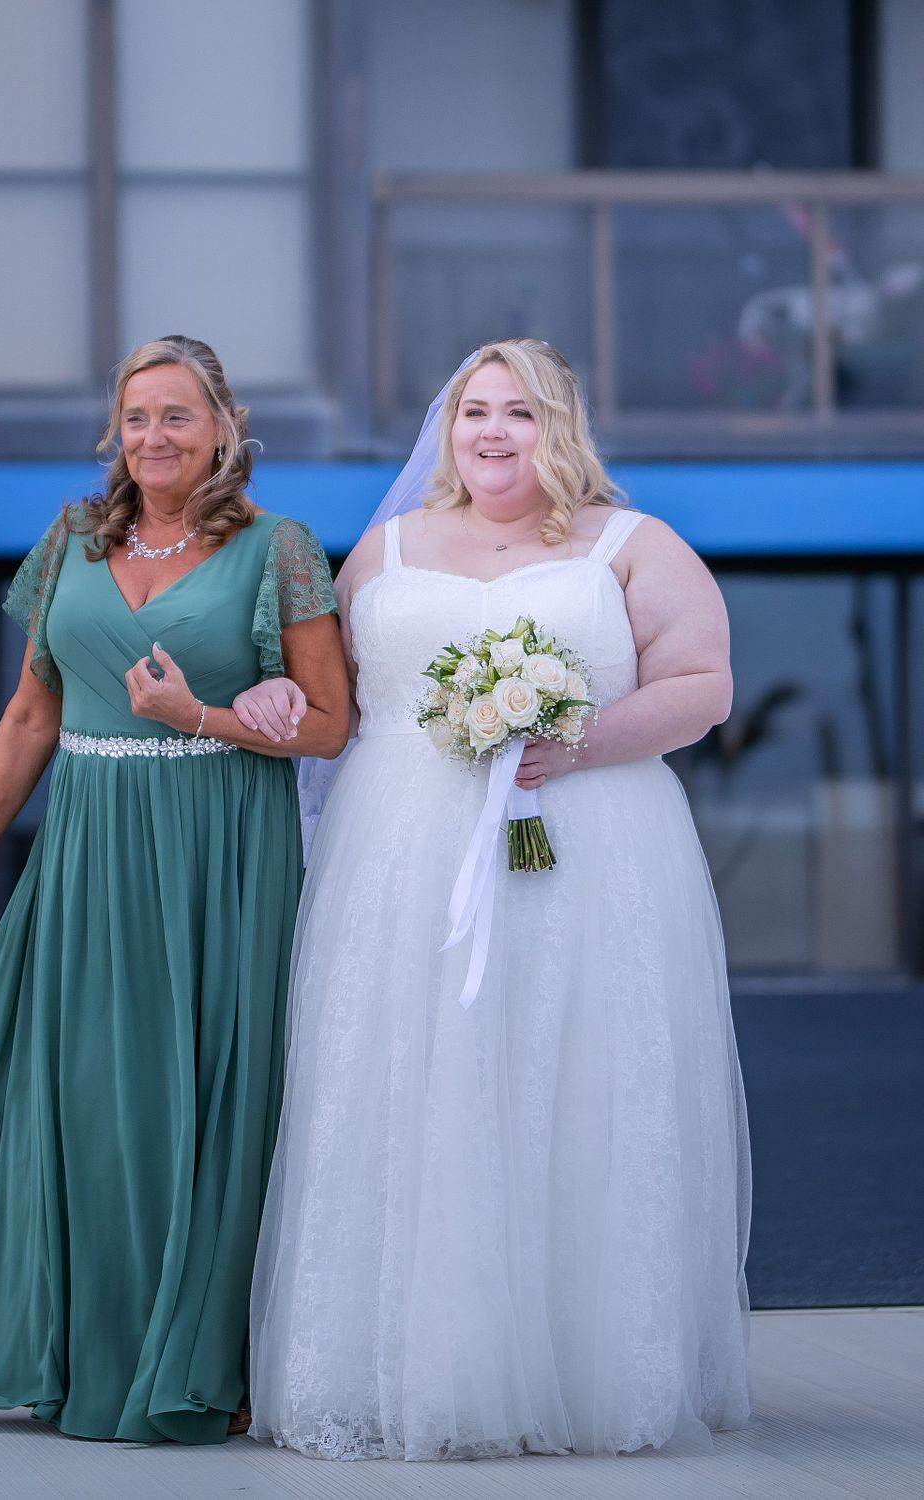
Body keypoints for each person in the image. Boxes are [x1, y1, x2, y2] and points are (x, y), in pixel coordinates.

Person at [240, 339, 751, 1460]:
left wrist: (577, 743)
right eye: (475, 411)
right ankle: (413, 1369)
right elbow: (332, 693)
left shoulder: (632, 545)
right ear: (448, 427)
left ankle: (578, 1374)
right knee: (412, 1083)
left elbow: (703, 686)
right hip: (402, 858)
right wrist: (278, 686)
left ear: (557, 428)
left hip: (589, 849)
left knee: (573, 1082)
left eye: (519, 413)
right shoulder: (384, 549)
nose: (491, 433)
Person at [0, 335, 349, 1444]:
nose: (155, 438)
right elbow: (33, 713)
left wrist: (210, 718)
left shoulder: (280, 550)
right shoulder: (72, 541)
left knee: (210, 1100)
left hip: (222, 852)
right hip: (86, 847)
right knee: (81, 1097)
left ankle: (196, 1369)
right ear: (114, 433)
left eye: (178, 416)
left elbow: (333, 722)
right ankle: (79, 1354)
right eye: (136, 419)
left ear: (222, 430)